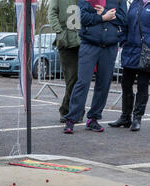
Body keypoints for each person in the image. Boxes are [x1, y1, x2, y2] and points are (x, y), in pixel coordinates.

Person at [63, 0, 127, 134]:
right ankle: (71, 119)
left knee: (103, 84)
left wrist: (103, 13)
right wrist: (103, 17)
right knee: (83, 82)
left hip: (109, 47)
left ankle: (93, 118)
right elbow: (83, 18)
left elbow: (123, 19)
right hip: (89, 45)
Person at [109, 0, 150, 131]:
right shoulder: (134, 4)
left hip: (146, 52)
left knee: (142, 86)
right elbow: (126, 24)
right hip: (130, 51)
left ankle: (137, 118)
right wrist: (123, 41)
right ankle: (125, 117)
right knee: (126, 84)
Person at [48, 0, 85, 124]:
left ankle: (77, 110)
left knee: (82, 79)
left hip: (83, 41)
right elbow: (52, 13)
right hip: (66, 43)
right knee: (72, 78)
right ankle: (66, 110)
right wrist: (59, 31)